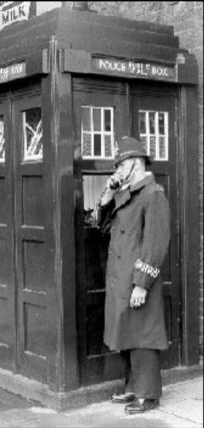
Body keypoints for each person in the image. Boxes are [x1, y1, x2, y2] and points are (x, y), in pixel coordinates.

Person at [94, 136, 170, 415]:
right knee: (125, 331)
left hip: (137, 280)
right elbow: (100, 225)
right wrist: (108, 191)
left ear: (135, 163)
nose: (117, 169)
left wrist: (142, 284)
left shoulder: (153, 194)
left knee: (143, 336)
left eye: (121, 163)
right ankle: (132, 387)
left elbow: (156, 243)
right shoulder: (127, 193)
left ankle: (148, 394)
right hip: (120, 276)